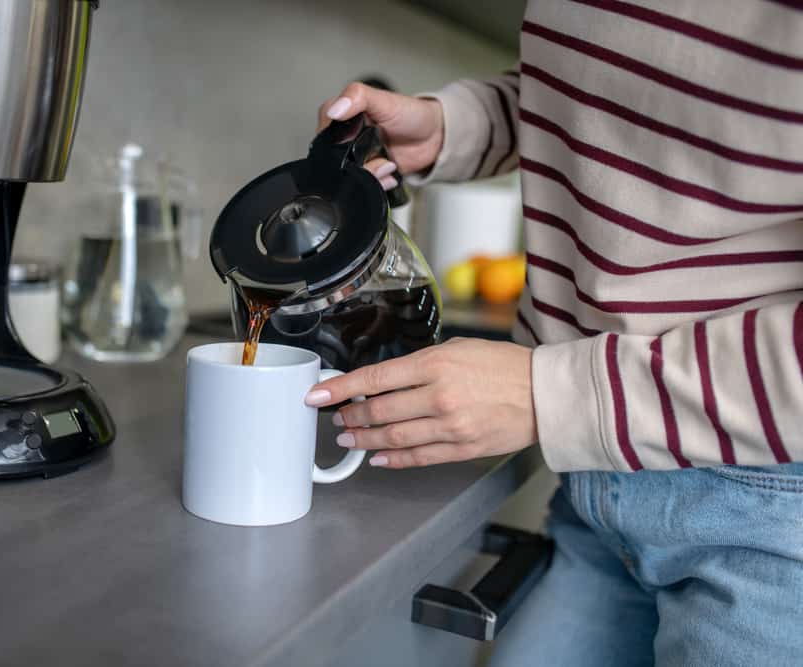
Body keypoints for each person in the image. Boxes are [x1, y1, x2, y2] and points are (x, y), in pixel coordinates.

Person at [302, 1, 803, 665]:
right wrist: (455, 127)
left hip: (768, 516)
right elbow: (628, 92)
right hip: (595, 493)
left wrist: (553, 396)